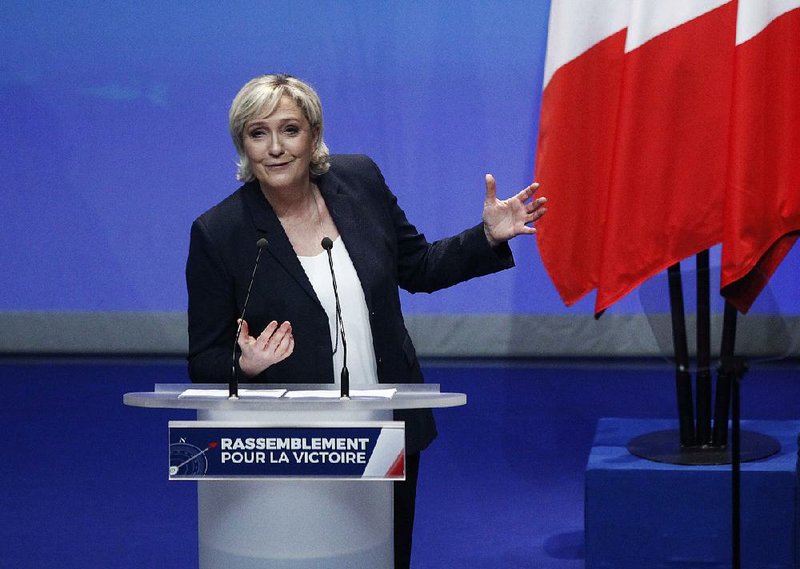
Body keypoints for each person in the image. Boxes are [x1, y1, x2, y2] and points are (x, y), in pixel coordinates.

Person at [186, 74, 547, 568]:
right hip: (298, 444)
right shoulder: (218, 233)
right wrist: (242, 365)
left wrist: (485, 239)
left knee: (386, 556)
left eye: (290, 130)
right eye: (258, 133)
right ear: (243, 145)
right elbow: (204, 358)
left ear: (313, 136)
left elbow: (417, 267)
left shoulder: (360, 181)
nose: (275, 148)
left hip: (385, 428)